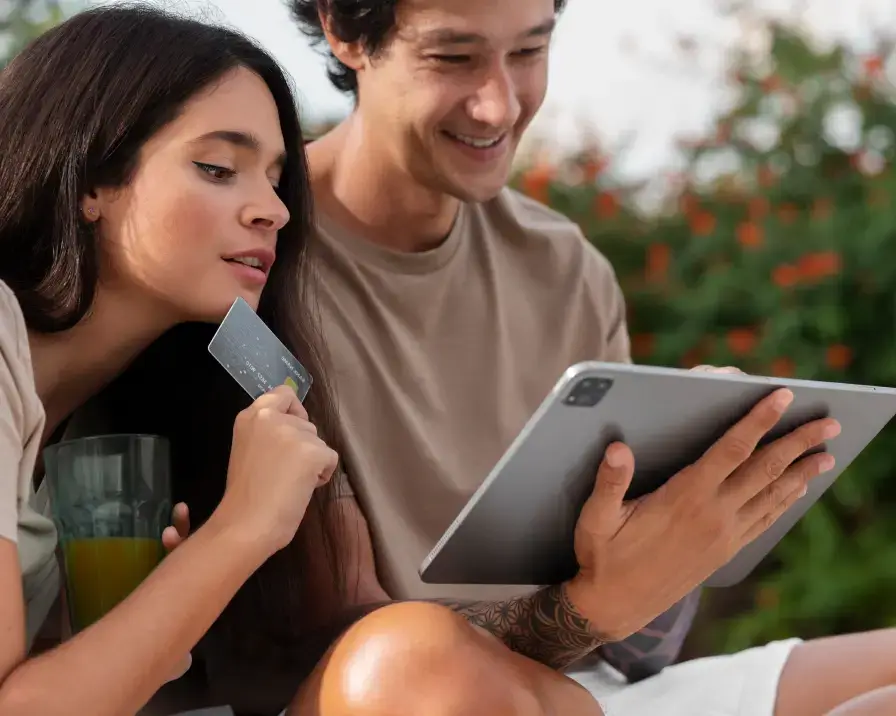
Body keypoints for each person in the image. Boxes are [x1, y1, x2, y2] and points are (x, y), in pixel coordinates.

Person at [288, 0, 896, 714]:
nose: (498, 106)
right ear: (343, 29)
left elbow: (636, 658)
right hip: (394, 692)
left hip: (578, 687)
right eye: (453, 58)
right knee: (416, 662)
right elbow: (346, 653)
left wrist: (683, 517)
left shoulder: (564, 268)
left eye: (528, 53)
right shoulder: (250, 251)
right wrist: (590, 608)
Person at [0, 6, 588, 716]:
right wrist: (242, 528)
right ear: (91, 181)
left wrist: (163, 607)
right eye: (218, 168)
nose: (272, 211)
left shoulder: (141, 406)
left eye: (276, 179)